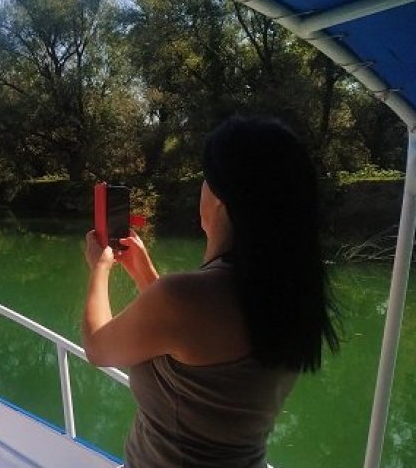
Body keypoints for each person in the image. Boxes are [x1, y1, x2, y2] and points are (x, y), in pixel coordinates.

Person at [82, 116, 340, 468]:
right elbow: (194, 339)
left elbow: (98, 347)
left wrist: (99, 269)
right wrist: (143, 271)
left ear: (220, 198)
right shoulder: (292, 292)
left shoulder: (186, 298)